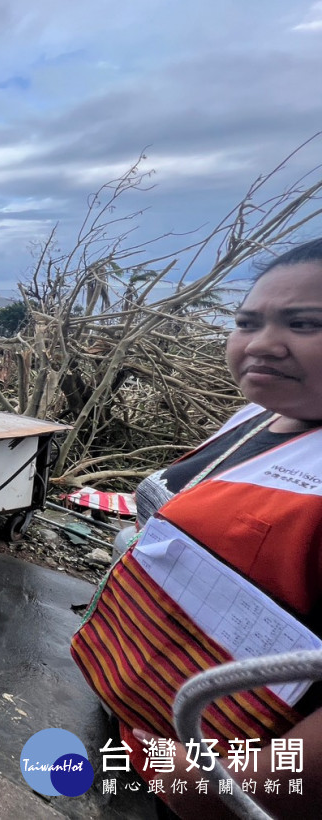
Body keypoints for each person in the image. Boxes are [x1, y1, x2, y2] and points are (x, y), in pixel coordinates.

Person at [71, 238, 322, 818]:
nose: (260, 344)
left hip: (218, 777)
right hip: (151, 720)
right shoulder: (258, 416)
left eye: (304, 323)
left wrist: (224, 789)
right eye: (246, 322)